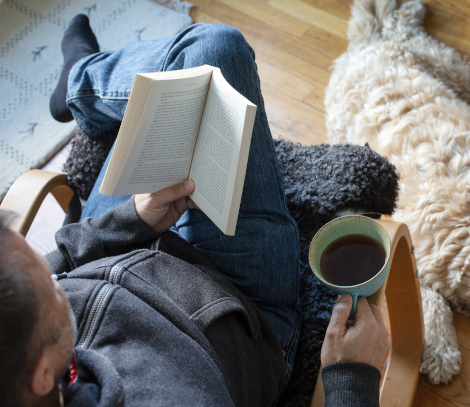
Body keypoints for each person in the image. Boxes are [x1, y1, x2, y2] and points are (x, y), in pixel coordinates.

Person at [0, 15, 391, 407]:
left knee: (211, 54)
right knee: (216, 54)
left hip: (127, 240)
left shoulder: (26, 338)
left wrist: (129, 222)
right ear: (43, 375)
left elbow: (60, 263)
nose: (54, 274)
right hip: (237, 304)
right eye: (51, 287)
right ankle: (84, 83)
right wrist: (352, 379)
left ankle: (79, 83)